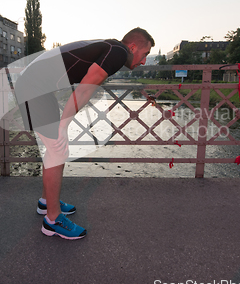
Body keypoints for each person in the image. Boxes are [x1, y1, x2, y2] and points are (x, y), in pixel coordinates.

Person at [12, 28, 154, 239]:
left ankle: (46, 203)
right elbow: (84, 90)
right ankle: (52, 220)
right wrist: (62, 127)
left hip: (36, 85)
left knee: (56, 149)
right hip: (33, 87)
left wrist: (62, 126)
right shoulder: (118, 52)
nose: (143, 61)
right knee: (57, 150)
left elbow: (84, 87)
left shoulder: (112, 47)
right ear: (132, 47)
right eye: (145, 54)